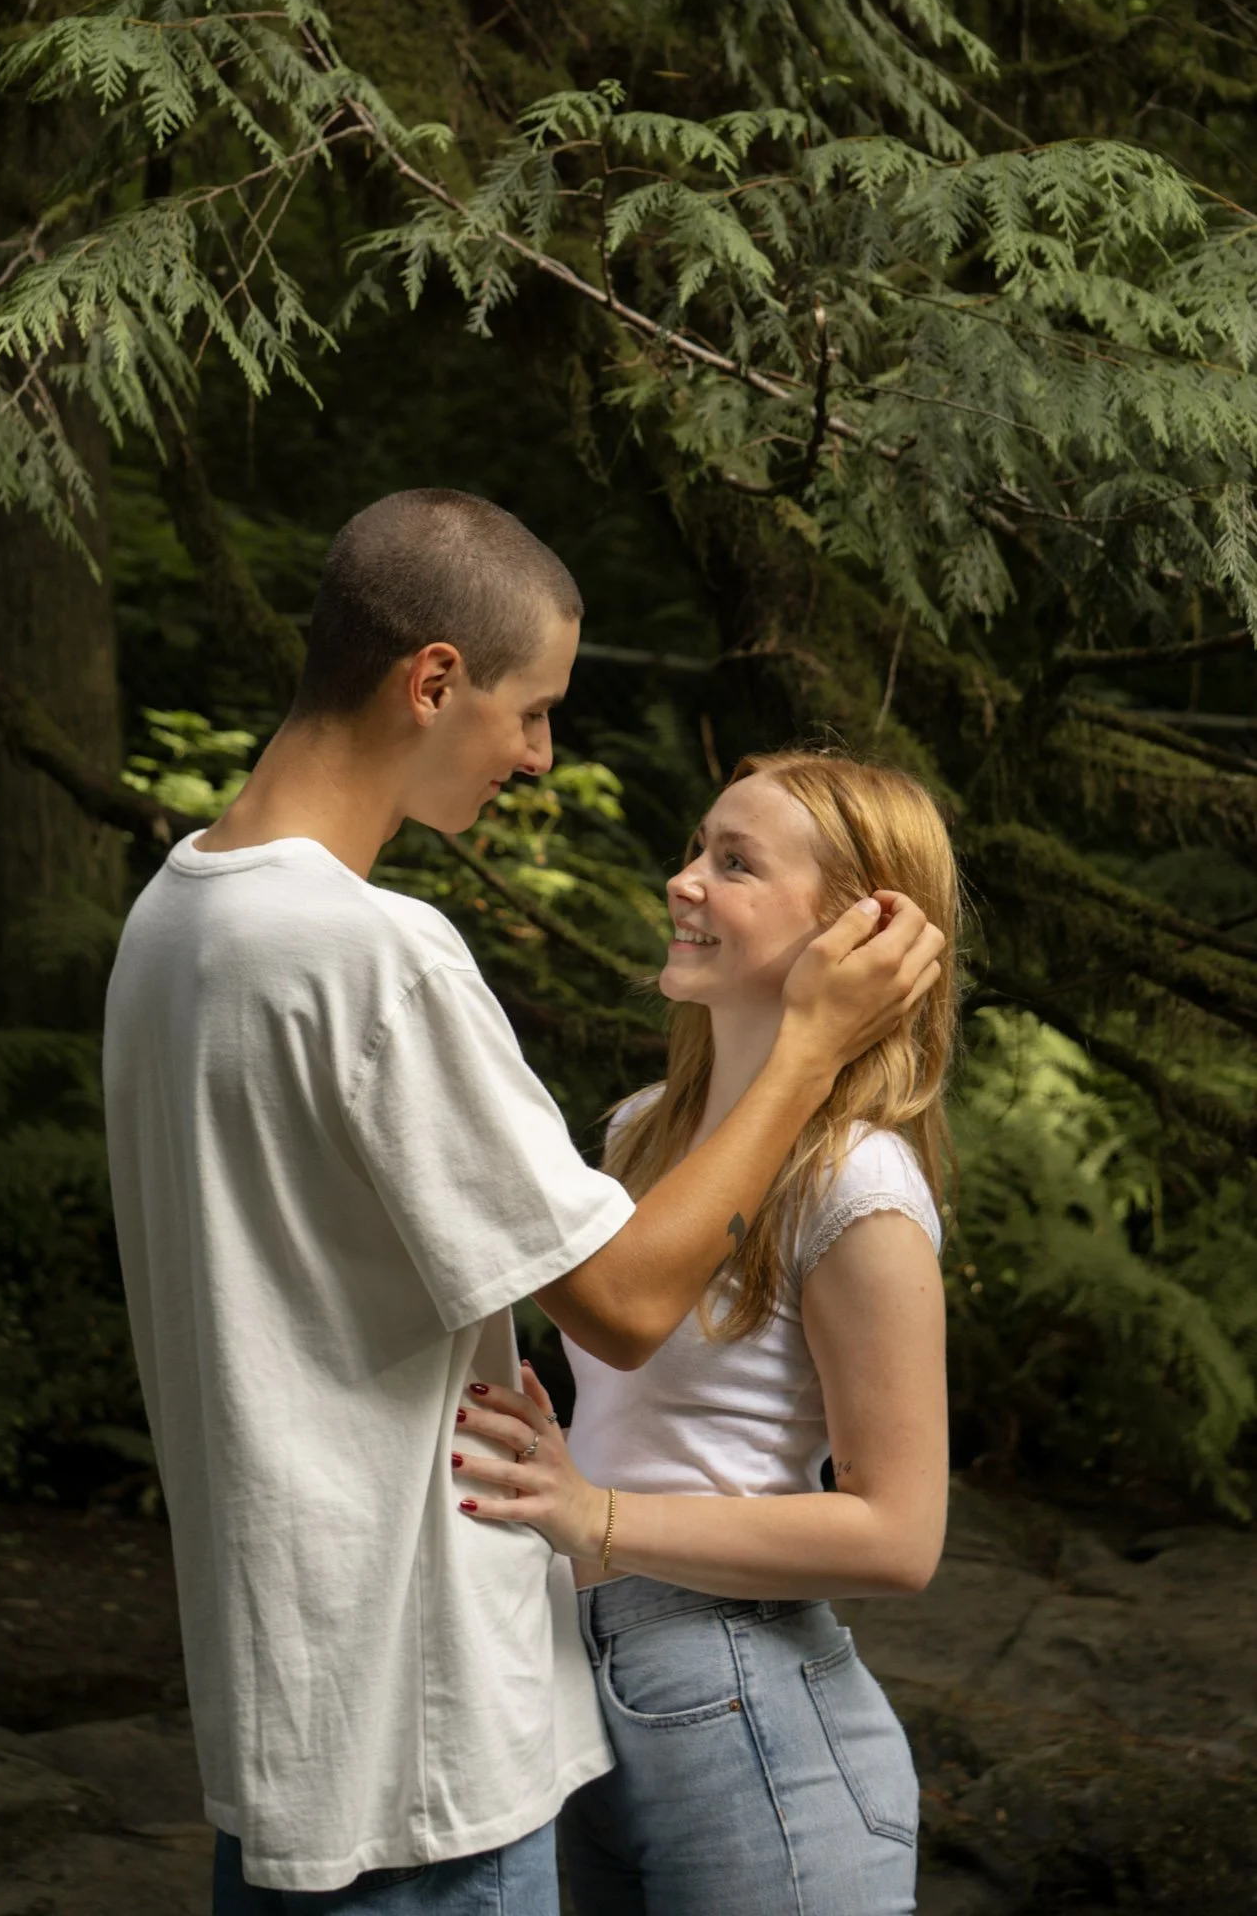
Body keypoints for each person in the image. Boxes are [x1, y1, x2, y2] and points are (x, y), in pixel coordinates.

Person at [102, 490, 944, 1915]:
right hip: (419, 1738)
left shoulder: (178, 919)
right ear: (432, 681)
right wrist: (806, 1043)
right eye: (532, 709)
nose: (541, 757)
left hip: (302, 1715)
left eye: (736, 861)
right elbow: (617, 1303)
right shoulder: (379, 958)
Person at [451, 748, 958, 1916]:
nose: (684, 881)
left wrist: (600, 1514)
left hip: (754, 1706)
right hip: (586, 1682)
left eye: (735, 863)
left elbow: (901, 1533)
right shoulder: (637, 1132)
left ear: (856, 932)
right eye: (697, 849)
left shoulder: (856, 1177)